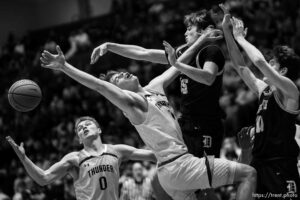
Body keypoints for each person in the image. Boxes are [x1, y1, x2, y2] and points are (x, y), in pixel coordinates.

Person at [39, 44, 256, 200]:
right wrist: (65, 67)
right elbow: (99, 86)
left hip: (172, 170)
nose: (123, 73)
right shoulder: (132, 103)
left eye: (121, 73)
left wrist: (201, 40)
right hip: (178, 165)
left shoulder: (154, 86)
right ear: (118, 90)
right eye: (117, 79)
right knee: (248, 174)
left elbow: (177, 64)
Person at [90, 9, 225, 159]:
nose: (185, 32)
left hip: (207, 122)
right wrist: (109, 46)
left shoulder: (211, 51)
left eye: (190, 28)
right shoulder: (182, 53)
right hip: (185, 121)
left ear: (205, 31)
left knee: (208, 175)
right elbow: (143, 53)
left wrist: (177, 65)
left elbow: (208, 78)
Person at [220, 4, 300, 198]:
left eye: (273, 63)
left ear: (282, 72)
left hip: (280, 166)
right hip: (259, 165)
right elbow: (241, 67)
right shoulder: (265, 91)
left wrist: (241, 38)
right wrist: (227, 33)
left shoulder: (290, 91)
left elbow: (259, 63)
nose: (267, 65)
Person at [6, 116, 157, 200]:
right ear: (79, 139)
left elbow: (154, 156)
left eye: (88, 124)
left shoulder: (117, 150)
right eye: (79, 128)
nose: (83, 127)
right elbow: (43, 178)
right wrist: (23, 157)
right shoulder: (75, 159)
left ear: (99, 129)